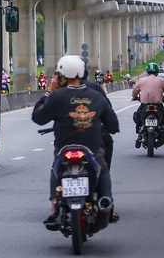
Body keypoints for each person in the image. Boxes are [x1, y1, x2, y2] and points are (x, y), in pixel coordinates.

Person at [32, 56, 120, 228]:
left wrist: (49, 91)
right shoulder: (96, 95)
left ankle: (55, 205)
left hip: (64, 149)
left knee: (56, 169)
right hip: (92, 149)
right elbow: (113, 124)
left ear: (60, 75)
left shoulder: (57, 96)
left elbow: (38, 117)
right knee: (102, 170)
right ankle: (106, 200)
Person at [131, 62, 164, 147]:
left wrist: (135, 97)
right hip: (158, 106)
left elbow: (134, 92)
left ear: (147, 72)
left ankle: (139, 132)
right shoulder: (162, 81)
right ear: (157, 72)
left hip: (144, 105)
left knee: (137, 115)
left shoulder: (141, 81)